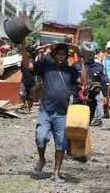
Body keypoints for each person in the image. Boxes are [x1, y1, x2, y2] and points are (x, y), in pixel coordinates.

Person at [21, 40, 86, 183]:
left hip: (62, 114)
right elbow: (27, 65)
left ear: (67, 56)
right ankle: (42, 159)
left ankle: (56, 173)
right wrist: (23, 47)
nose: (61, 57)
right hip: (46, 111)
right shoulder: (45, 67)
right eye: (59, 54)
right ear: (54, 55)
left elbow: (84, 81)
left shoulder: (71, 71)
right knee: (41, 138)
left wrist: (80, 60)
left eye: (64, 54)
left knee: (61, 144)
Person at [72, 41, 108, 126]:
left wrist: (105, 95)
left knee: (87, 122)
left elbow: (104, 81)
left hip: (92, 98)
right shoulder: (76, 66)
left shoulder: (99, 67)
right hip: (78, 97)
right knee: (77, 121)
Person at [19, 47, 37, 114]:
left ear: (30, 54)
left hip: (32, 82)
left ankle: (28, 109)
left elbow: (38, 73)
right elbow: (22, 72)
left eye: (27, 52)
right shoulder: (23, 62)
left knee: (31, 97)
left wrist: (38, 82)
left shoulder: (34, 63)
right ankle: (24, 103)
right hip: (23, 81)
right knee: (21, 94)